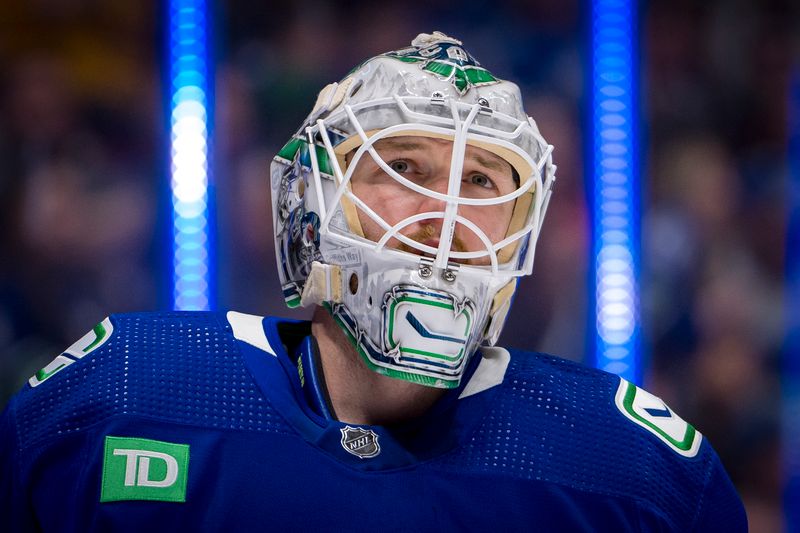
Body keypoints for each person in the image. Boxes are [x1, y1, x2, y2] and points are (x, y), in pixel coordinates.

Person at [1, 31, 746, 531]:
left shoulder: (627, 467)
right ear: (313, 200)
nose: (446, 212)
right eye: (405, 168)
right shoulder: (127, 389)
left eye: (483, 182)